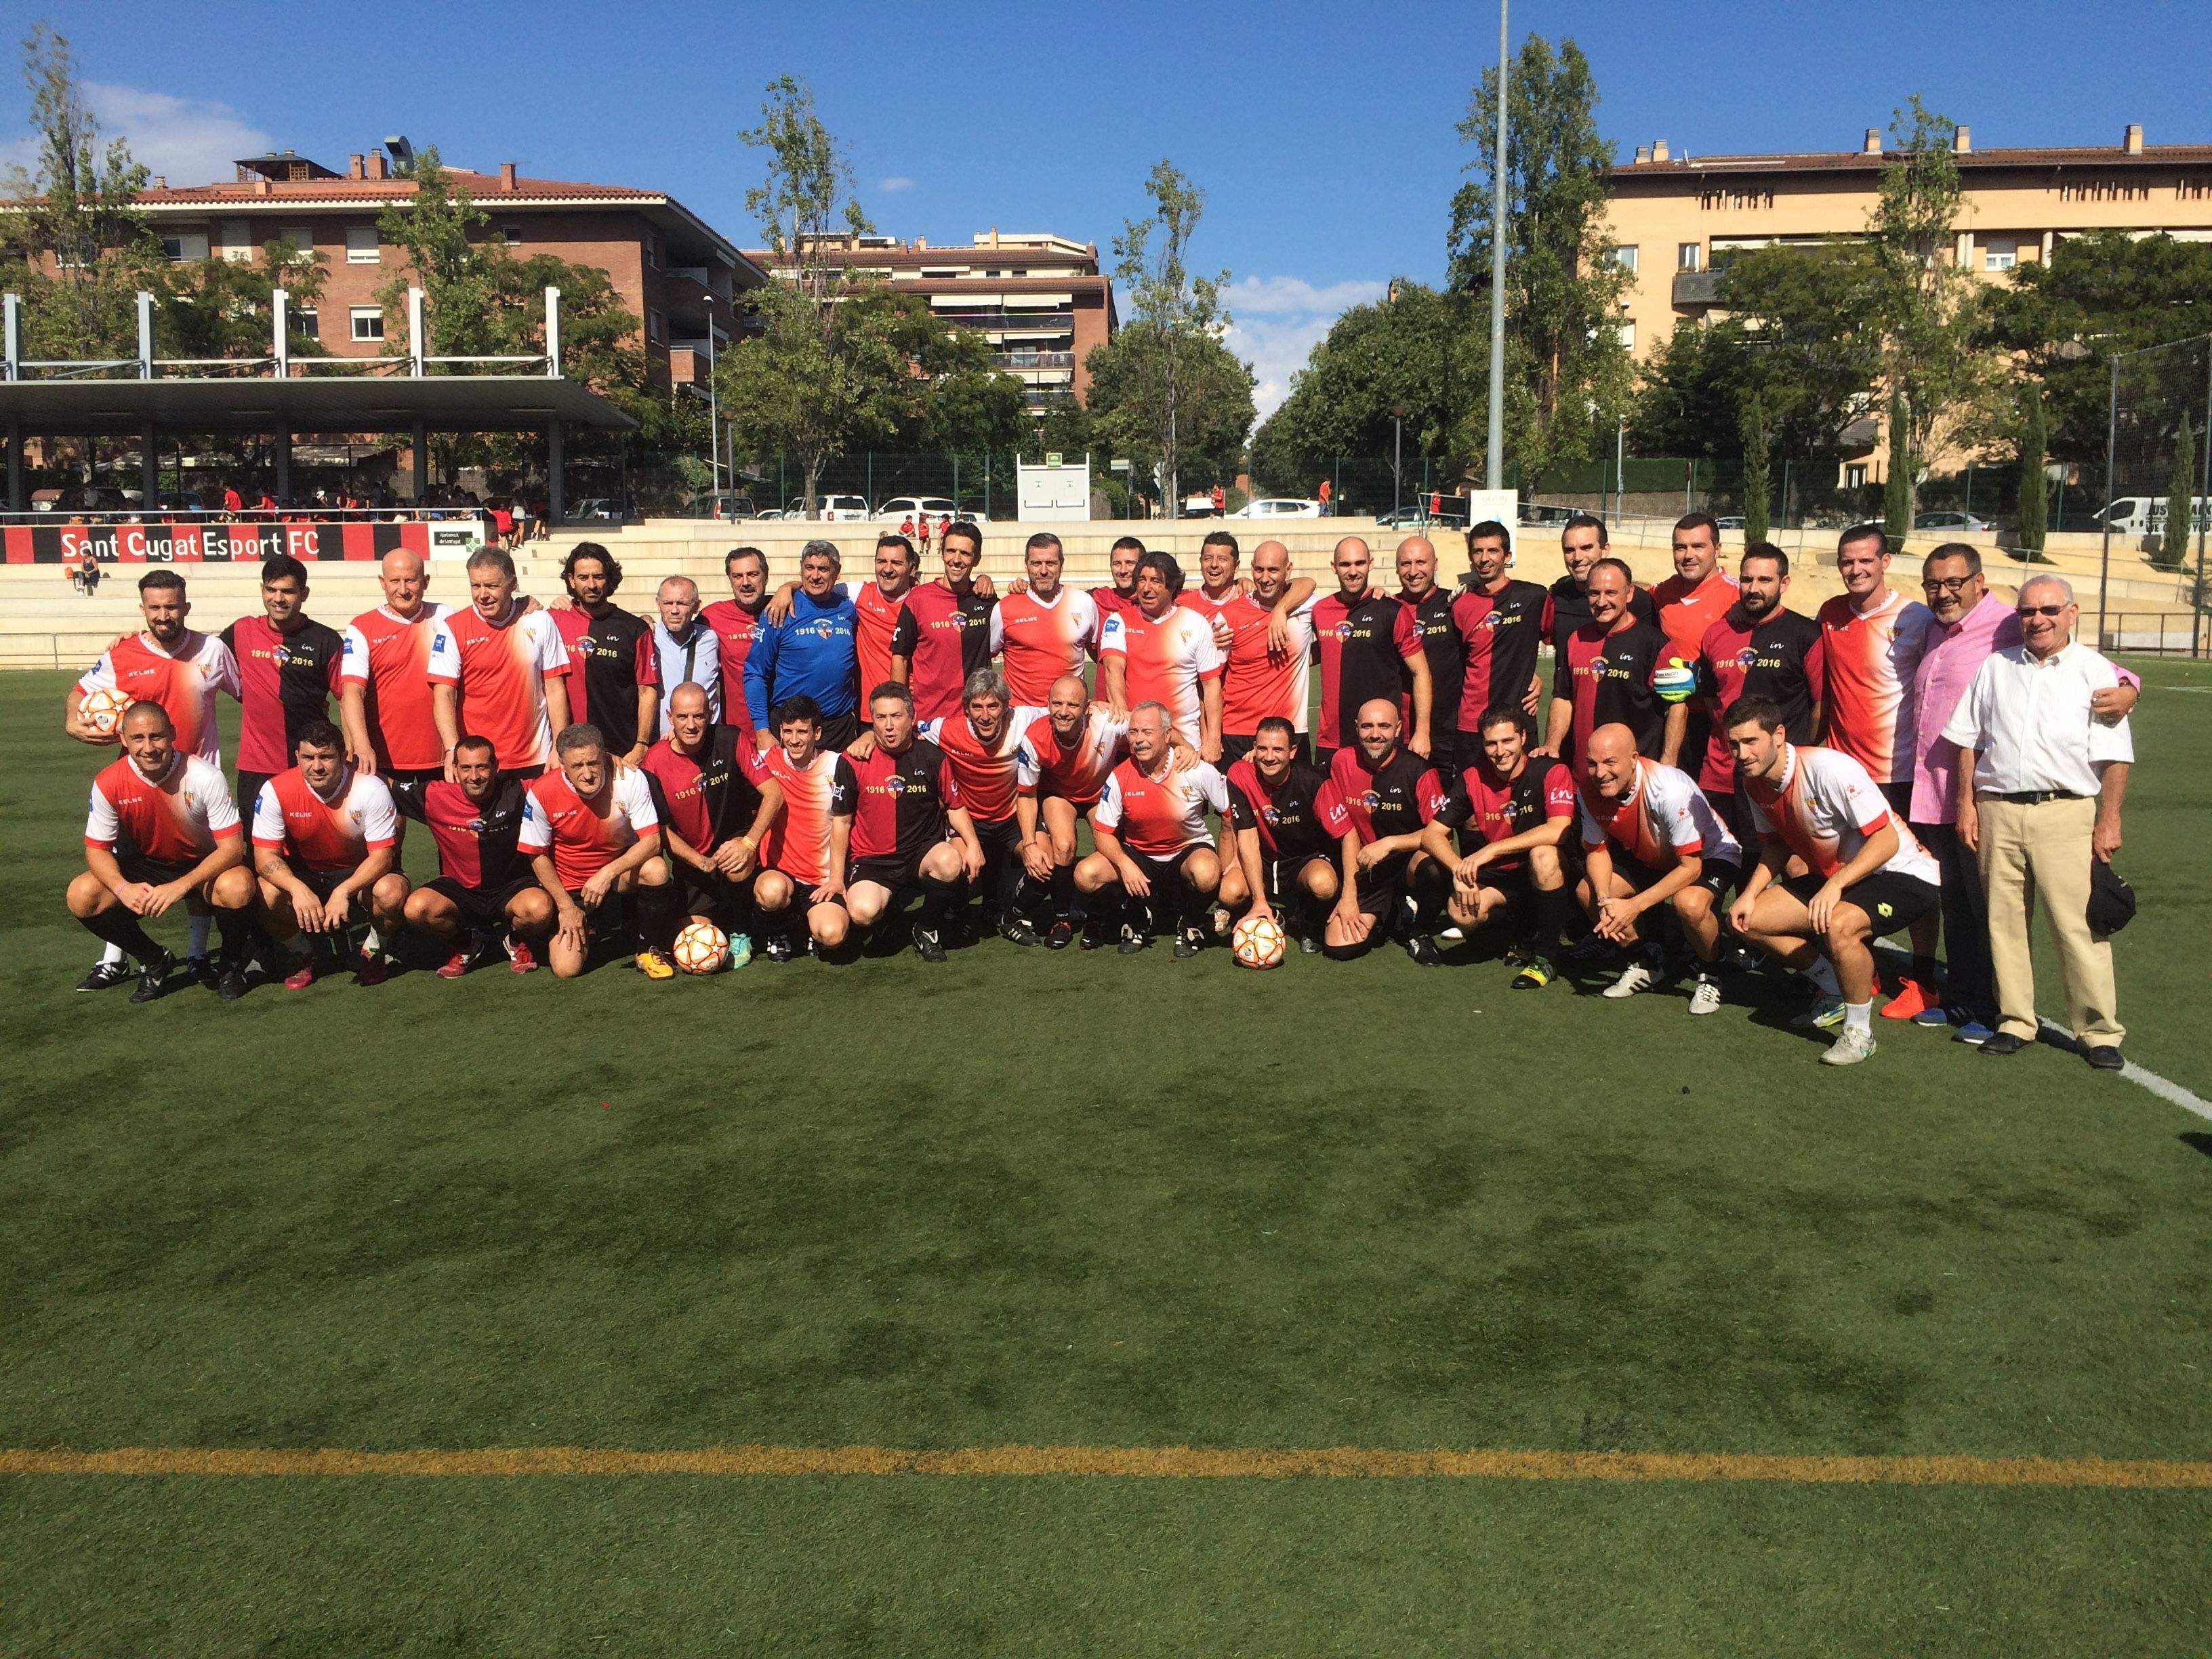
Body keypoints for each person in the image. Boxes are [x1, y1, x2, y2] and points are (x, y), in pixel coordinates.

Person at [1907, 544, 2138, 1045]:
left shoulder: (2076, 662)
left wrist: (2111, 818)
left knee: (2076, 927)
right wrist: (1967, 805)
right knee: (1998, 922)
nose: (2037, 620)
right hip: (1989, 808)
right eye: (2029, 611)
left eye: (2049, 610)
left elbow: (2115, 740)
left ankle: (2099, 1032)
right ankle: (2010, 1019)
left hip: (2062, 810)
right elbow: (1966, 737)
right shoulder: (1988, 660)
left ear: (2071, 613)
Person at [1725, 696, 1944, 1066]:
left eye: (1751, 742)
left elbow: (1886, 840)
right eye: (1734, 744)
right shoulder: (1754, 782)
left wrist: (1834, 885)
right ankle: (1831, 987)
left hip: (1902, 871)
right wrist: (1749, 894)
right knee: (1746, 920)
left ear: (1778, 735)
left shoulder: (1828, 769)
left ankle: (1860, 1035)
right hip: (1846, 878)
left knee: (1839, 925)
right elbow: (1776, 844)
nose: (1742, 753)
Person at [67, 569, 243, 991]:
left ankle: (199, 955)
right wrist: (74, 724)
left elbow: (250, 694)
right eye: (154, 607)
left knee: (201, 871)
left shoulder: (213, 650)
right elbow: (79, 693)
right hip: (136, 786)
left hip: (198, 784)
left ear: (186, 606)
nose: (163, 615)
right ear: (142, 608)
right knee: (124, 868)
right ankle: (118, 958)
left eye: (171, 606)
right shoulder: (122, 654)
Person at [1816, 523, 1940, 1015]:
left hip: (1900, 772)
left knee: (1917, 880)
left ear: (1885, 561)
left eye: (1866, 560)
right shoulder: (1829, 614)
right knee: (1849, 873)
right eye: (1848, 561)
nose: (1856, 569)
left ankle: (1924, 979)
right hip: (1846, 775)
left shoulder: (1917, 616)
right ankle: (1859, 970)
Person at [67, 700, 255, 1002]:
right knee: (82, 895)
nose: (149, 747)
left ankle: (232, 965)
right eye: (138, 739)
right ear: (124, 740)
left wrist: (180, 887)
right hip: (148, 865)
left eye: (157, 736)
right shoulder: (108, 782)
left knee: (238, 887)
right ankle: (153, 960)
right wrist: (122, 887)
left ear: (172, 734)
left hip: (204, 864)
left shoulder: (204, 776)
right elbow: (97, 849)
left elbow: (233, 849)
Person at [1575, 722, 1742, 1011]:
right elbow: (1596, 850)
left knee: (1689, 904)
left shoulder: (1668, 789)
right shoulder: (1588, 789)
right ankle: (1645, 961)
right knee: (1587, 893)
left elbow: (1690, 867)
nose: (1600, 773)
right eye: (1592, 763)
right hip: (1653, 857)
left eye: (1610, 762)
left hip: (1711, 855)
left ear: (1634, 758)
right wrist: (1605, 899)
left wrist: (1635, 905)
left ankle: (1712, 973)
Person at [1422, 706, 1580, 988]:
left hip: (1546, 869)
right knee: (1461, 913)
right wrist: (1460, 870)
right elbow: (1432, 835)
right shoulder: (1472, 777)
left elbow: (1559, 829)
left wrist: (1492, 850)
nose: (1500, 751)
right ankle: (1521, 926)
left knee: (1542, 855)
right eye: (1491, 743)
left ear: (1522, 738)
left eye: (1507, 741)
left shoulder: (1551, 771)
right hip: (1502, 878)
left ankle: (1547, 957)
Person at [246, 720, 409, 989]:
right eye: (308, 757)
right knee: (263, 892)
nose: (317, 766)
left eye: (326, 757)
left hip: (358, 873)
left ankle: (373, 949)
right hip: (306, 873)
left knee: (391, 892)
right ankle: (304, 952)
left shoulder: (370, 788)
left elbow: (383, 858)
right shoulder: (275, 789)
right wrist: (297, 888)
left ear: (343, 757)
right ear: (297, 757)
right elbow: (264, 858)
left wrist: (343, 891)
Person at [640, 681, 783, 970]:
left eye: (699, 716)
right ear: (670, 718)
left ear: (710, 713)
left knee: (736, 861)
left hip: (734, 844)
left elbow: (774, 793)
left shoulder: (731, 738)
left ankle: (743, 930)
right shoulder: (655, 760)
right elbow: (660, 829)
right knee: (693, 937)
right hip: (694, 863)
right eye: (683, 717)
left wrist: (749, 842)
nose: (691, 725)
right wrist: (699, 862)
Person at [1694, 544, 1824, 853]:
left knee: (1784, 865)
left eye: (1764, 580)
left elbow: (1821, 706)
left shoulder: (1805, 634)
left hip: (1776, 780)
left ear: (1784, 583)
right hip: (1719, 777)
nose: (1753, 589)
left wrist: (1796, 755)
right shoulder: (1716, 633)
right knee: (1712, 865)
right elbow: (1712, 699)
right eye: (1747, 580)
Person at [519, 721, 675, 980]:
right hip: (570, 888)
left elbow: (652, 842)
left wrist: (606, 873)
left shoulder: (630, 779)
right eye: (577, 766)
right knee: (566, 969)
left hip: (614, 879)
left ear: (604, 756)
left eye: (593, 763)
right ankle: (570, 926)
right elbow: (536, 855)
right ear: (562, 764)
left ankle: (647, 949)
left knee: (656, 869)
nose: (588, 773)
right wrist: (566, 906)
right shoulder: (542, 792)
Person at [907, 668, 1048, 945]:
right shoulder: (947, 729)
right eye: (977, 707)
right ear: (967, 710)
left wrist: (1097, 707)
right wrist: (866, 738)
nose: (985, 716)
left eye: (993, 706)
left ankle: (1011, 917)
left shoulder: (1025, 718)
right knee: (957, 867)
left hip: (1013, 818)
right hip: (969, 821)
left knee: (1045, 862)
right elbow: (907, 732)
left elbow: (1063, 712)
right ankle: (961, 915)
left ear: (1007, 707)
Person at [1078, 701, 1229, 958]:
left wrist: (1230, 864)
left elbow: (1231, 816)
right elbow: (1102, 833)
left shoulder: (1194, 769)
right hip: (1139, 853)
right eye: (1134, 732)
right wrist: (1125, 865)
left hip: (1186, 851)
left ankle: (1190, 923)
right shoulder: (1119, 776)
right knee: (1086, 874)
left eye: (1147, 732)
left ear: (1167, 735)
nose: (1139, 740)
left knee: (1207, 873)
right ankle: (1135, 916)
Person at [396, 733, 552, 978]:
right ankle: (466, 942)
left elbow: (563, 780)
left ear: (496, 766)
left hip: (512, 888)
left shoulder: (518, 791)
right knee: (417, 909)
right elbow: (383, 786)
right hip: (459, 890)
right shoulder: (434, 795)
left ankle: (515, 938)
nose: (475, 776)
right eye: (466, 768)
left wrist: (605, 758)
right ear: (454, 769)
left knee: (540, 909)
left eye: (482, 767)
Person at [844, 681, 980, 962]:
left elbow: (955, 806)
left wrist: (974, 844)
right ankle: (889, 915)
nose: (889, 726)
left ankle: (926, 927)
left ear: (912, 718)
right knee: (861, 912)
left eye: (896, 716)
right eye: (881, 718)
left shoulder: (933, 757)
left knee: (951, 860)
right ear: (873, 723)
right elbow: (840, 823)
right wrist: (836, 878)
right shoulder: (854, 759)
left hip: (920, 854)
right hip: (874, 861)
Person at [1320, 698, 1451, 963]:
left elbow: (1443, 834)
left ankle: (1420, 931)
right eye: (1367, 726)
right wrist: (1349, 895)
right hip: (1363, 868)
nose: (1375, 734)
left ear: (1399, 729)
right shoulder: (1341, 762)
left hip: (1407, 864)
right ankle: (1391, 914)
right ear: (1356, 728)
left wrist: (1390, 843)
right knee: (1339, 948)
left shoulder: (1419, 771)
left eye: (1384, 726)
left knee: (1436, 867)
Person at [428, 547, 572, 782]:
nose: (482, 594)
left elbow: (555, 688)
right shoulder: (452, 627)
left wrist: (559, 746)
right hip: (479, 763)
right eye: (476, 586)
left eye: (492, 586)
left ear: (512, 583)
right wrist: (453, 749)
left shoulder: (539, 620)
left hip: (536, 757)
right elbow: (443, 694)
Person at [1015, 674, 1129, 947]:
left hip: (1098, 793)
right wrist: (1029, 842)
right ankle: (1062, 918)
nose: (1064, 712)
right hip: (1060, 794)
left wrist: (1186, 749)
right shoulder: (1034, 737)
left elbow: (1152, 726)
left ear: (1087, 707)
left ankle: (1102, 917)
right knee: (1064, 846)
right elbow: (1027, 795)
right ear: (1047, 703)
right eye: (1057, 703)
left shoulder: (1107, 723)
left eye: (1073, 705)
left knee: (1109, 848)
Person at [1224, 715, 1347, 954]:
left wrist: (1350, 893)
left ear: (1292, 751)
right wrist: (1259, 899)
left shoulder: (1314, 781)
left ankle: (1308, 924)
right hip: (1265, 860)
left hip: (1304, 862)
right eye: (1262, 748)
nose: (1269, 757)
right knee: (1229, 892)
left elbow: (1346, 835)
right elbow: (1248, 837)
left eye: (1277, 749)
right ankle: (1263, 912)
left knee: (1323, 885)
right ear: (1254, 748)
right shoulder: (1240, 774)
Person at [1543, 557, 1679, 773]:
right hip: (1585, 773)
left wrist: (1669, 760)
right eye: (1594, 593)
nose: (1602, 601)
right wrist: (1552, 745)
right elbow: (1563, 697)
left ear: (1630, 593)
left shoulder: (1657, 644)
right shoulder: (1576, 639)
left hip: (1637, 774)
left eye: (1611, 593)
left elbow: (1677, 705)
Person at [340, 549, 451, 804]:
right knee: (387, 836)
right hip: (383, 757)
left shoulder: (446, 617)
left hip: (441, 754)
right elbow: (352, 692)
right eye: (394, 581)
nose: (403, 589)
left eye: (411, 580)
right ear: (383, 582)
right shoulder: (362, 627)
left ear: (425, 582)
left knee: (449, 833)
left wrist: (524, 603)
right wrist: (362, 745)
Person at [1313, 537, 1431, 771]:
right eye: (1345, 564)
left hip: (1381, 735)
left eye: (1360, 563)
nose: (1353, 571)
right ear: (1333, 567)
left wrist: (1422, 732)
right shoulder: (1319, 610)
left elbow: (1421, 673)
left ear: (1371, 564)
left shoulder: (1391, 610)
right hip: (1332, 737)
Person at [755, 695, 858, 960]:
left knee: (833, 935)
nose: (794, 739)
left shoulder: (836, 765)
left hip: (820, 879)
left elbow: (842, 823)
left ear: (818, 733)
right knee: (770, 893)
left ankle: (810, 928)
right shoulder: (767, 760)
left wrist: (836, 879)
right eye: (787, 732)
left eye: (802, 731)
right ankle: (780, 931)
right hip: (782, 873)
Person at [1445, 522, 1549, 779]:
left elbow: (1566, 642)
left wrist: (1539, 678)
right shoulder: (1460, 605)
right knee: (1471, 806)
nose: (1484, 559)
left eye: (1492, 551)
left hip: (1518, 720)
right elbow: (1456, 660)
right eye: (1478, 552)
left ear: (1508, 556)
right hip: (1472, 722)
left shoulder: (1534, 598)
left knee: (1522, 799)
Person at [1099, 551, 1225, 759]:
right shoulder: (1117, 621)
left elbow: (1211, 686)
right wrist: (1127, 726)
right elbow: (1114, 671)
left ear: (1173, 587)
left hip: (1184, 747)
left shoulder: (1195, 623)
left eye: (1156, 581)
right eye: (1142, 580)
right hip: (1135, 744)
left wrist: (1213, 739)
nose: (1146, 589)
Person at [744, 541, 861, 750]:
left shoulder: (847, 609)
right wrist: (761, 730)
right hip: (792, 727)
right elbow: (755, 672)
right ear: (801, 568)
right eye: (809, 568)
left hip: (837, 727)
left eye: (823, 569)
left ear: (837, 572)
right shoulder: (780, 609)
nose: (815, 576)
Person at [548, 544, 657, 766]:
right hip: (565, 755)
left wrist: (641, 745)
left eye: (598, 577)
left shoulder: (635, 629)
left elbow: (647, 690)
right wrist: (526, 602)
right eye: (583, 577)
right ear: (571, 580)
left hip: (620, 753)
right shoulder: (551, 621)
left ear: (609, 578)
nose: (591, 585)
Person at [1216, 539, 1321, 765]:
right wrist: (1212, 736)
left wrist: (1280, 610)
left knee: (1294, 800)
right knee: (1238, 800)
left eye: (1273, 570)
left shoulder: (1307, 606)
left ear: (1288, 570)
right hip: (1238, 731)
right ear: (1251, 568)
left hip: (1290, 728)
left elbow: (1310, 583)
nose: (1265, 578)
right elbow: (1211, 680)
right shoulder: (1230, 616)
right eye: (1259, 569)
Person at [1652, 512, 1740, 782]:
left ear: (1718, 550)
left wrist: (1704, 678)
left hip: (1722, 721)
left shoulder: (1737, 596)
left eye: (1698, 546)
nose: (1688, 555)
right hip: (1672, 718)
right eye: (1681, 547)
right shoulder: (1661, 594)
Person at [891, 519, 997, 720]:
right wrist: (900, 710)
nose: (956, 560)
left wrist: (989, 579)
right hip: (928, 720)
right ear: (942, 553)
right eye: (951, 551)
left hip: (975, 720)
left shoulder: (986, 600)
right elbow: (900, 657)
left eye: (965, 553)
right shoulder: (918, 599)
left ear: (977, 559)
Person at [990, 531, 1101, 705]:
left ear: (1061, 565)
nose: (1043, 571)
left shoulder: (1084, 602)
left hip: (1069, 714)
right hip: (1021, 714)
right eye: (1036, 564)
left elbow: (1100, 658)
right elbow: (985, 657)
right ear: (1026, 565)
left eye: (1050, 563)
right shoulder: (1004, 608)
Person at [1540, 512, 1656, 653]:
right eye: (1569, 550)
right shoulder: (1555, 597)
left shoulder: (1636, 599)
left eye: (1586, 548)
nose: (1577, 557)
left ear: (1605, 550)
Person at [701, 546, 771, 722]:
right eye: (738, 576)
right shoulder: (712, 616)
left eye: (753, 574)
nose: (745, 582)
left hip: (785, 728)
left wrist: (789, 588)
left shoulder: (785, 607)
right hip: (737, 729)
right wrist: (647, 621)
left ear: (766, 576)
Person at [646, 576, 720, 736]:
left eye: (682, 603)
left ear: (696, 606)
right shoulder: (648, 638)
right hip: (660, 744)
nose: (674, 610)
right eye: (668, 603)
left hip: (706, 742)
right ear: (658, 604)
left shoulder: (710, 638)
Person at [853, 533, 922, 697]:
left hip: (914, 706)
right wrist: (789, 588)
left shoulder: (924, 600)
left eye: (897, 563)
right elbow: (819, 586)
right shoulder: (858, 594)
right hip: (870, 711)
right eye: (882, 561)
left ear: (912, 569)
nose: (888, 569)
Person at [1092, 535, 1145, 628]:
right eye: (1117, 564)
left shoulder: (1155, 603)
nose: (1123, 571)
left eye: (1130, 563)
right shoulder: (1097, 599)